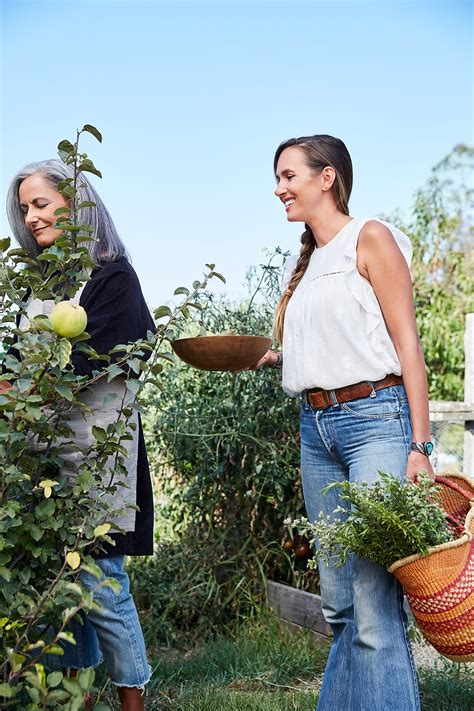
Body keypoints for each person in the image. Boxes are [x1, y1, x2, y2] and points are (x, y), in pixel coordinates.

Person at [256, 135, 434, 711]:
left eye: (289, 175)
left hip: (377, 423)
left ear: (326, 177)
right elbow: (335, 346)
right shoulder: (302, 262)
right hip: (317, 431)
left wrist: (421, 444)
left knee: (374, 598)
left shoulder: (371, 237)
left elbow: (407, 346)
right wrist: (277, 356)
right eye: (278, 178)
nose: (279, 187)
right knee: (338, 600)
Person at [6, 159, 155, 711]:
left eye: (41, 204)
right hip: (43, 464)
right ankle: (78, 700)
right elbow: (19, 364)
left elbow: (96, 361)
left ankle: (133, 700)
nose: (32, 217)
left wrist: (19, 383)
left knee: (101, 586)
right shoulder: (40, 285)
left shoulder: (111, 277)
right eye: (25, 208)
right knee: (61, 595)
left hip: (98, 461)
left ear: (77, 205)